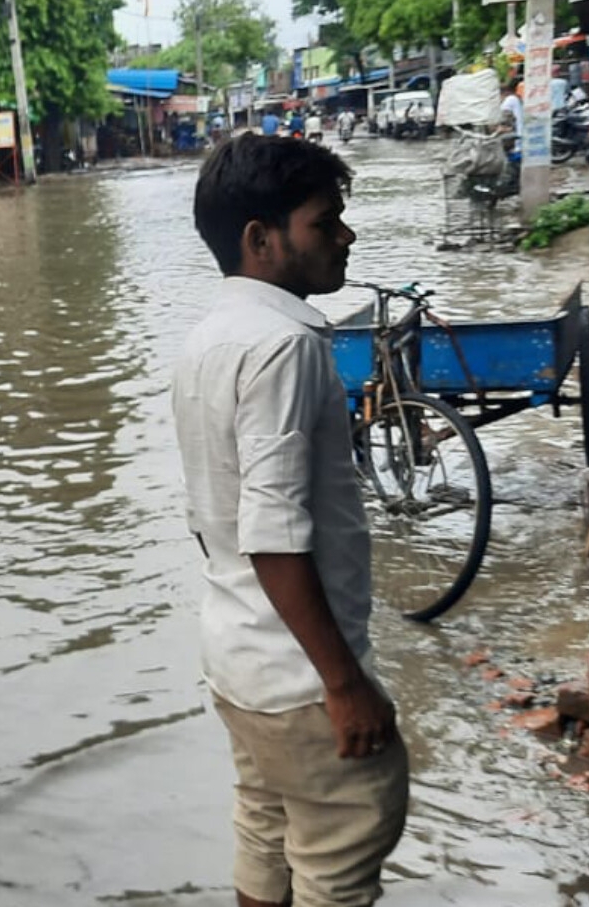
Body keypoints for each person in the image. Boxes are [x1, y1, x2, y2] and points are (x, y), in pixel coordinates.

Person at [172, 134, 408, 907]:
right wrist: (345, 682)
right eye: (324, 221)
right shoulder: (285, 344)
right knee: (340, 852)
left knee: (267, 832)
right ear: (260, 239)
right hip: (301, 678)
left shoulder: (208, 338)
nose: (345, 235)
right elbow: (270, 531)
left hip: (238, 659)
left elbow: (217, 515)